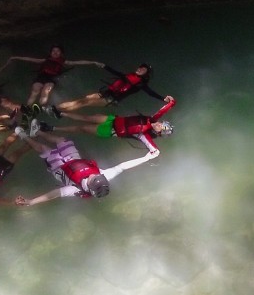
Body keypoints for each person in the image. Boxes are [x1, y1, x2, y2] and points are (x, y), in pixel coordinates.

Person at [13, 130, 159, 206]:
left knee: (42, 148)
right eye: (98, 176)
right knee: (62, 141)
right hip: (75, 160)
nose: (95, 175)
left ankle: (24, 136)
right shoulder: (104, 177)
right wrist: (146, 158)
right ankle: (37, 132)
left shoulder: (76, 189)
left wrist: (31, 202)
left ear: (90, 185)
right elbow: (122, 167)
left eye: (94, 178)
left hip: (59, 168)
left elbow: (54, 194)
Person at [48, 95, 176, 153]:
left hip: (111, 131)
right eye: (162, 123)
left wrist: (155, 152)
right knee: (87, 117)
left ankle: (52, 128)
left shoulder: (144, 134)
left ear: (159, 132)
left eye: (161, 127)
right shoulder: (152, 119)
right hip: (113, 120)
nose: (159, 124)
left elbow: (151, 145)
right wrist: (171, 103)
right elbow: (161, 111)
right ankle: (61, 114)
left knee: (82, 128)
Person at [3, 45, 104, 110]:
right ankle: (27, 108)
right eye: (53, 51)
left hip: (52, 78)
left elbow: (79, 62)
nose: (55, 52)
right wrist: (15, 57)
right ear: (50, 53)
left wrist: (93, 62)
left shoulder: (64, 61)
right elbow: (30, 59)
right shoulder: (44, 60)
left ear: (61, 54)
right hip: (42, 76)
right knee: (35, 90)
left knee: (45, 91)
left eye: (58, 51)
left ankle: (40, 107)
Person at [49, 63, 165, 116]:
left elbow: (150, 93)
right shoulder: (130, 75)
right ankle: (57, 110)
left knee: (85, 102)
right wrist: (104, 66)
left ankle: (56, 109)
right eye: (140, 67)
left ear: (145, 74)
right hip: (106, 92)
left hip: (112, 99)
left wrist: (163, 98)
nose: (140, 69)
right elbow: (118, 73)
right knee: (85, 99)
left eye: (143, 70)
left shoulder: (140, 84)